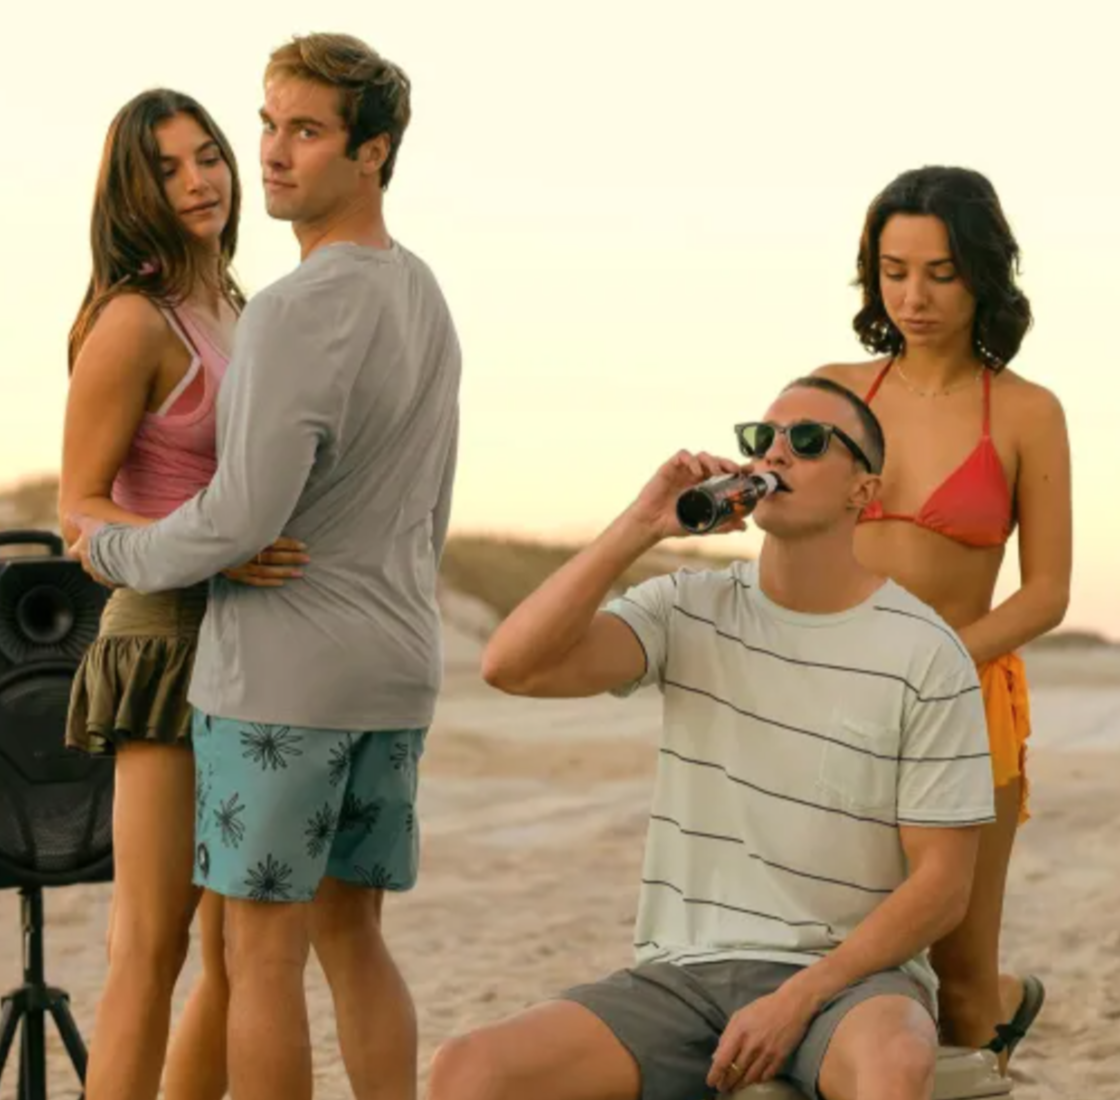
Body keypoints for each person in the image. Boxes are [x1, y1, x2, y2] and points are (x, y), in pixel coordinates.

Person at [70, 32, 460, 1100]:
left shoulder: (279, 308)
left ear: (372, 152)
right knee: (339, 937)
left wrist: (118, 548)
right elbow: (431, 505)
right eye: (269, 126)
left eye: (306, 131)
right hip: (382, 663)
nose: (268, 155)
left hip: (280, 671)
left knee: (260, 953)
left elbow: (240, 518)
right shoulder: (423, 291)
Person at [429, 378, 994, 1100]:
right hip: (686, 978)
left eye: (808, 440)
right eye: (761, 439)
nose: (775, 454)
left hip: (850, 983)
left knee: (895, 1060)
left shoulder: (924, 652)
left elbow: (942, 887)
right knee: (468, 1069)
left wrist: (797, 999)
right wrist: (641, 525)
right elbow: (513, 666)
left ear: (864, 490)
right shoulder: (687, 607)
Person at [58, 87, 311, 1100]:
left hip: (257, 638)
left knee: (234, 944)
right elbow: (80, 512)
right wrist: (212, 550)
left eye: (207, 155)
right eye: (166, 169)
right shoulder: (133, 320)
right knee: (150, 942)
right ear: (132, 191)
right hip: (166, 638)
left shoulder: (244, 309)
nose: (200, 180)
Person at [812, 165, 1069, 1068]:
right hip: (832, 696)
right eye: (894, 272)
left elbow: (1047, 592)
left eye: (940, 273)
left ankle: (996, 1004)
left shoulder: (1029, 411)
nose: (913, 298)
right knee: (824, 945)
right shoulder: (834, 394)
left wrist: (929, 665)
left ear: (983, 274)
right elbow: (782, 531)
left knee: (959, 973)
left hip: (963, 701)